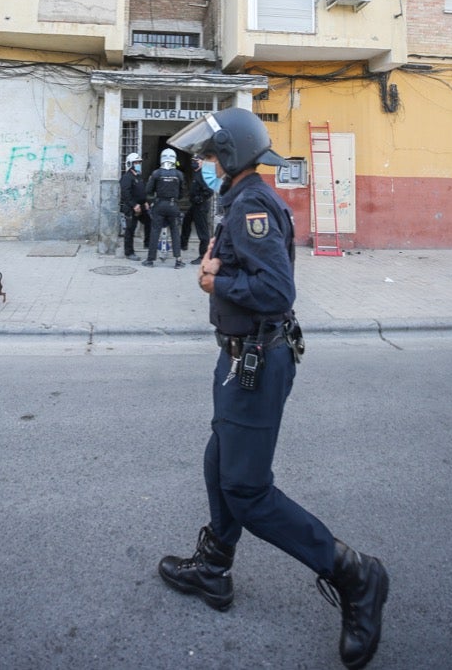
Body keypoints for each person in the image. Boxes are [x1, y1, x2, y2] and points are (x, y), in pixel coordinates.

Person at [157, 108, 389, 670]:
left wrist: (216, 279)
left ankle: (356, 575)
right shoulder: (238, 198)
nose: (204, 165)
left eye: (211, 156)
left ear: (232, 157)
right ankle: (213, 568)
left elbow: (277, 290)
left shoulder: (252, 205)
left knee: (248, 491)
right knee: (219, 463)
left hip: (258, 359)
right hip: (239, 357)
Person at [143, 148, 185, 268]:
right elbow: (182, 193)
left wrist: (153, 200)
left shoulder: (156, 173)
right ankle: (178, 260)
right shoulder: (179, 174)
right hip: (173, 205)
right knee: (175, 233)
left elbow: (148, 191)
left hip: (159, 205)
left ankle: (150, 260)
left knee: (155, 231)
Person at [180, 154, 213, 265]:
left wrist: (200, 199)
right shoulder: (197, 173)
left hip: (201, 206)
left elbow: (209, 190)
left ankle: (204, 256)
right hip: (195, 205)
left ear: (202, 162)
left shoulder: (204, 174)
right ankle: (183, 244)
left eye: (196, 160)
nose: (193, 162)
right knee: (186, 221)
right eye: (193, 160)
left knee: (203, 232)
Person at [119, 152, 150, 261]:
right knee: (130, 230)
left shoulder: (138, 176)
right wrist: (134, 205)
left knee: (149, 221)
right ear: (130, 163)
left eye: (139, 162)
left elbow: (141, 191)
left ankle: (148, 243)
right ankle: (129, 252)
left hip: (141, 206)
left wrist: (145, 201)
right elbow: (125, 194)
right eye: (136, 162)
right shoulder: (127, 177)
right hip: (131, 208)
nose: (138, 164)